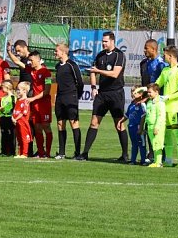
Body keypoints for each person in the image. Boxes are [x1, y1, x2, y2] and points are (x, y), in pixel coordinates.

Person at [77, 31, 127, 161]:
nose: (103, 43)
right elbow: (92, 72)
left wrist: (98, 71)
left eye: (105, 41)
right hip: (102, 94)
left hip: (116, 93)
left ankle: (125, 155)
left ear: (112, 41)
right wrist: (93, 87)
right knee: (94, 122)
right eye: (102, 41)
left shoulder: (119, 55)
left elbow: (115, 74)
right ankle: (85, 153)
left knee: (119, 124)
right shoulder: (100, 55)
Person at [155, 46, 178, 166]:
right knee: (167, 134)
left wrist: (167, 97)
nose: (163, 57)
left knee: (177, 134)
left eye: (165, 55)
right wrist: (144, 89)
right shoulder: (165, 70)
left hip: (176, 109)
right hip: (165, 109)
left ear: (171, 56)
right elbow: (157, 84)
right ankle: (168, 160)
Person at [53, 42, 83, 159]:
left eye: (56, 51)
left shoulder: (72, 65)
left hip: (71, 98)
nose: (55, 53)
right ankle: (61, 152)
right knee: (60, 123)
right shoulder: (57, 66)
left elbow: (79, 82)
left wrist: (76, 96)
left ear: (63, 52)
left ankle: (77, 152)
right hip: (60, 98)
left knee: (73, 123)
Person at [27, 50, 53, 158]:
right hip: (35, 104)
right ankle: (40, 152)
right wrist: (9, 51)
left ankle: (48, 152)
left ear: (38, 59)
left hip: (44, 104)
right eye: (29, 60)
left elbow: (46, 91)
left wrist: (33, 98)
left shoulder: (47, 73)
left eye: (31, 60)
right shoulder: (32, 71)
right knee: (37, 127)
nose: (30, 62)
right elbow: (18, 63)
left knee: (46, 126)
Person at [144, 84, 167, 168]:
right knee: (154, 144)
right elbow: (147, 115)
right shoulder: (150, 102)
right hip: (150, 126)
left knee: (158, 144)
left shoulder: (160, 103)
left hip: (157, 127)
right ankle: (155, 161)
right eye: (148, 92)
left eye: (150, 92)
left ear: (156, 92)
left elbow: (160, 116)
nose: (148, 94)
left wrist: (157, 127)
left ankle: (159, 162)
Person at [124, 86, 147, 165]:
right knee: (134, 144)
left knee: (142, 144)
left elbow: (143, 116)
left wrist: (140, 128)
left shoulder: (142, 104)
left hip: (138, 127)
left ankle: (143, 160)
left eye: (135, 92)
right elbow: (127, 115)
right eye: (132, 92)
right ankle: (133, 160)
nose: (133, 94)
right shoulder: (131, 104)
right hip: (131, 127)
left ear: (140, 94)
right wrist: (120, 121)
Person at [12, 81, 32, 158]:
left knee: (24, 137)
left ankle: (24, 153)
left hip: (22, 122)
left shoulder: (26, 101)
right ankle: (19, 153)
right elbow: (15, 111)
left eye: (18, 89)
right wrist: (13, 117)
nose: (17, 91)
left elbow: (23, 113)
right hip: (17, 122)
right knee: (19, 137)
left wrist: (15, 119)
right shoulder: (18, 100)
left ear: (24, 91)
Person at [0, 80, 16, 156]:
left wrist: (12, 115)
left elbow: (14, 108)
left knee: (11, 135)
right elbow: (0, 110)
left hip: (10, 118)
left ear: (7, 87)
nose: (1, 88)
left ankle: (11, 151)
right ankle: (3, 151)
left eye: (2, 87)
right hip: (3, 118)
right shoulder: (3, 98)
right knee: (4, 134)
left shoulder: (13, 97)